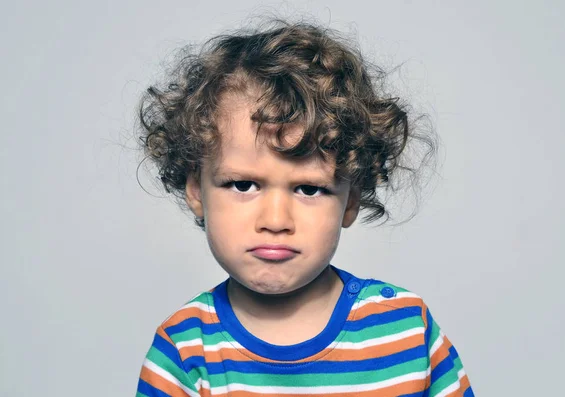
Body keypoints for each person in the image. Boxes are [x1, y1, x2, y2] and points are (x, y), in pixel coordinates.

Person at [135, 20, 474, 397]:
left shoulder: (407, 331)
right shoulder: (183, 351)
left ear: (352, 200)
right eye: (244, 185)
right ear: (196, 190)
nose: (276, 221)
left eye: (309, 189)